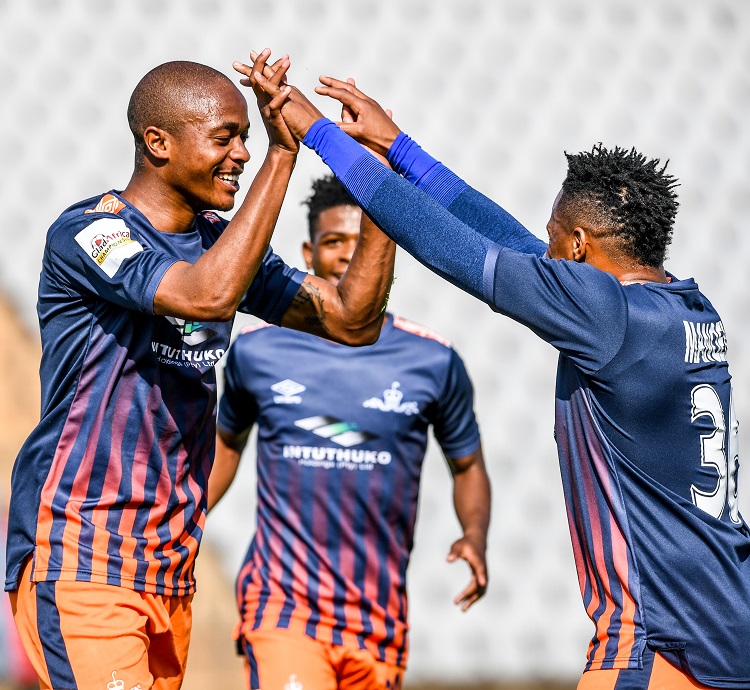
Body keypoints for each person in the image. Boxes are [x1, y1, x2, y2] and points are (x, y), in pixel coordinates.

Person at [243, 58, 750, 689]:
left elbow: (450, 246)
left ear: (581, 246)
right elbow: (505, 240)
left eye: (555, 238)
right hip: (727, 621)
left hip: (660, 635)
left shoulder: (604, 316)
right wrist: (399, 149)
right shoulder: (683, 308)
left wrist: (319, 134)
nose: (546, 249)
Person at [4, 51, 395, 690]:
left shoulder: (221, 243)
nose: (241, 151)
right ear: (157, 142)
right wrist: (282, 155)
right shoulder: (91, 233)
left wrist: (380, 182)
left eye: (246, 135)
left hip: (167, 566)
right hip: (82, 555)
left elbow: (351, 319)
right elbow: (202, 296)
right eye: (225, 137)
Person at [207, 174, 490, 690]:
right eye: (334, 242)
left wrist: (474, 536)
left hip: (377, 618)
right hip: (282, 605)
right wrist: (186, 517)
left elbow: (467, 465)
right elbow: (226, 444)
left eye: (361, 242)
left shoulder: (433, 360)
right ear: (307, 252)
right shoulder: (256, 350)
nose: (347, 255)